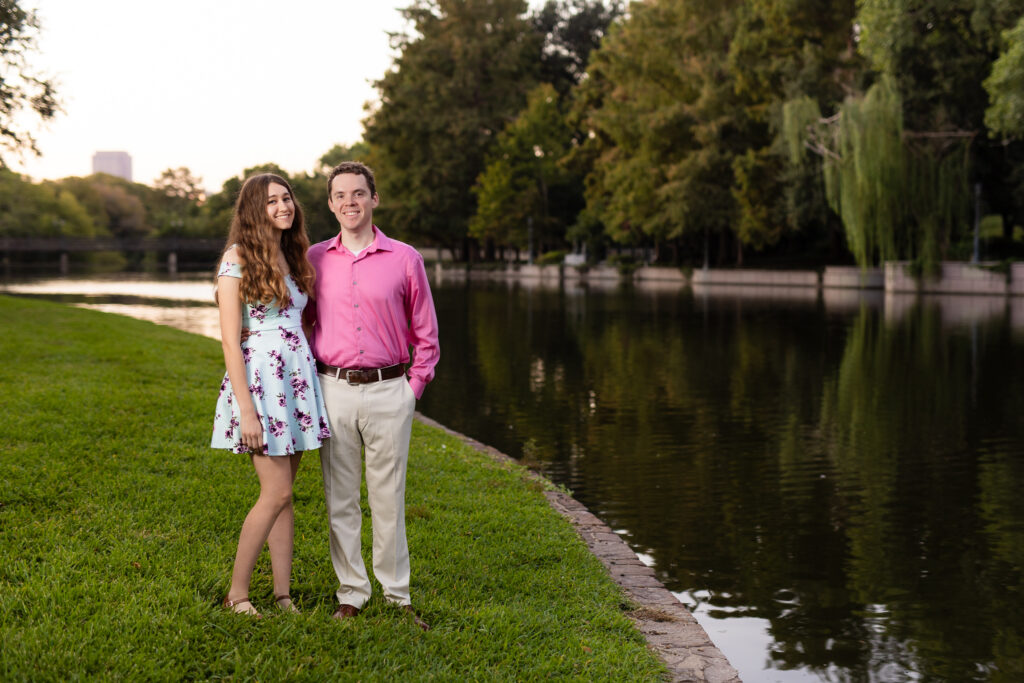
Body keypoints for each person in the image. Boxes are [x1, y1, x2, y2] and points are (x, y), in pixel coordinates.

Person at [304, 161, 439, 630]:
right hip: (332, 388)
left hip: (389, 390)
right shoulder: (314, 258)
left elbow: (426, 333)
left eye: (358, 193)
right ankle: (352, 593)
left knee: (388, 496)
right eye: (340, 195)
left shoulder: (406, 258)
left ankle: (397, 594)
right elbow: (302, 323)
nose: (349, 202)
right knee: (340, 496)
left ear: (374, 199)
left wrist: (412, 389)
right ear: (330, 204)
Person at [211, 173, 331, 617]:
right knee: (275, 492)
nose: (284, 206)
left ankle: (283, 595)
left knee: (285, 493)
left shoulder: (292, 254)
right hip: (261, 386)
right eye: (272, 201)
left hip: (296, 383)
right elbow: (228, 339)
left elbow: (302, 323)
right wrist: (247, 412)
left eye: (287, 198)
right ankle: (236, 594)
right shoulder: (236, 258)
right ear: (253, 211)